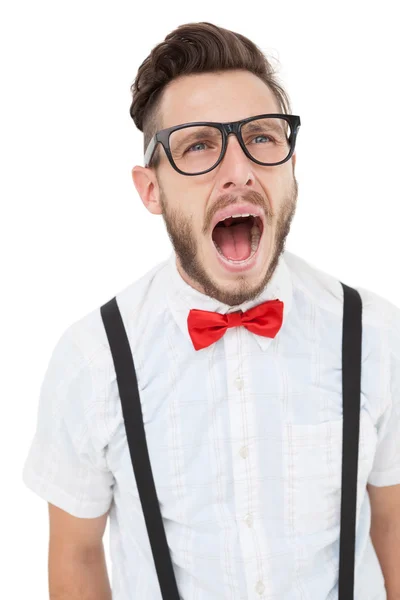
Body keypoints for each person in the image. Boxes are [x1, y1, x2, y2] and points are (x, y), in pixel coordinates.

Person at [22, 21, 400, 600]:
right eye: (199, 145)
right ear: (151, 190)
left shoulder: (375, 334)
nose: (239, 170)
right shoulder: (91, 359)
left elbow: (392, 524)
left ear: (292, 166)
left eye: (262, 137)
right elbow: (75, 554)